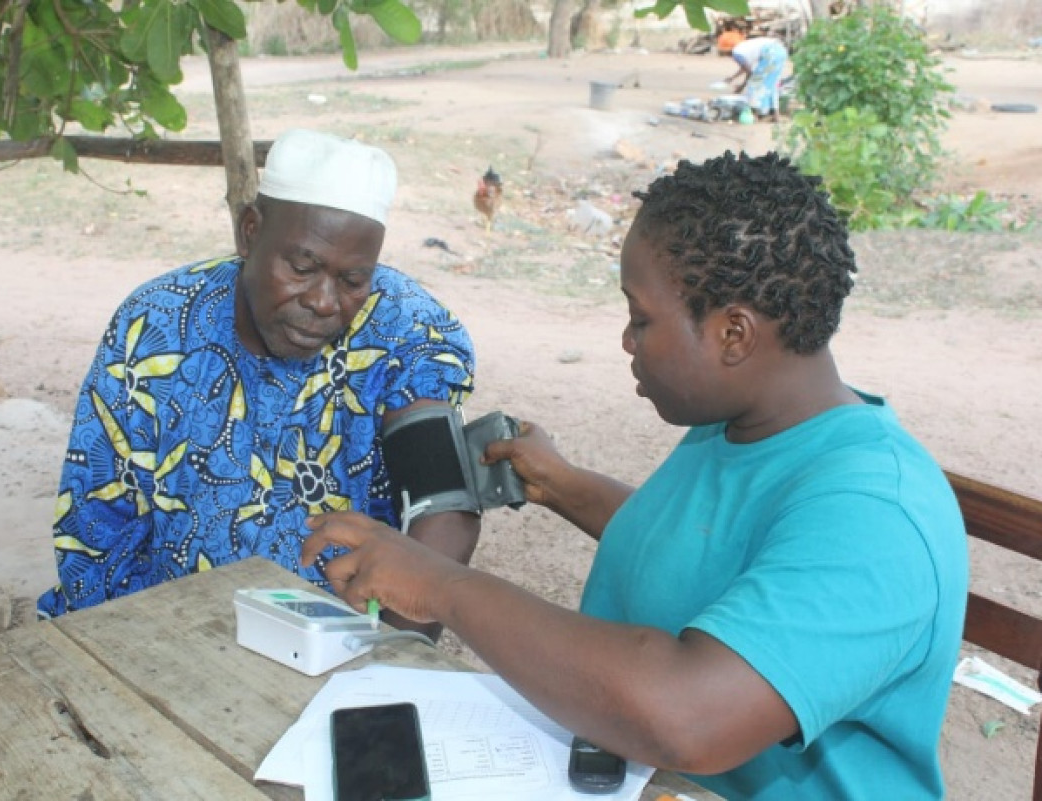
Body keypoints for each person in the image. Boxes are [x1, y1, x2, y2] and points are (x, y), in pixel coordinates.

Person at [301, 152, 968, 798]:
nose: (627, 341)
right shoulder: (740, 424)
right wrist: (562, 485)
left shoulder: (878, 515)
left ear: (734, 334)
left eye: (641, 318)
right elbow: (708, 549)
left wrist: (440, 585)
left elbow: (690, 717)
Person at [38, 129, 480, 630]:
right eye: (302, 267)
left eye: (353, 280)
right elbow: (98, 522)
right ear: (249, 232)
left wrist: (389, 657)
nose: (324, 301)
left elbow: (445, 506)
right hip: (173, 626)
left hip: (342, 636)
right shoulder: (155, 326)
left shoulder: (405, 329)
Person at [726, 35, 789, 120]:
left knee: (755, 83)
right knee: (772, 84)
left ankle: (754, 113)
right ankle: (776, 115)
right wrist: (732, 78)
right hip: (781, 52)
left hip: (770, 53)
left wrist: (742, 86)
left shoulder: (736, 54)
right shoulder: (744, 48)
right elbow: (745, 68)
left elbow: (749, 71)